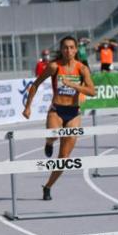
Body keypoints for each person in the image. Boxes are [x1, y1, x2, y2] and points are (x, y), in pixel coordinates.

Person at [22, 36, 96, 200]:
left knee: (63, 158)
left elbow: (92, 91)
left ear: (76, 50)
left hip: (73, 112)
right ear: (61, 50)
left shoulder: (82, 69)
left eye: (71, 47)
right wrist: (27, 107)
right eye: (65, 48)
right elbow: (35, 84)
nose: (68, 51)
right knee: (54, 134)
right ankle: (49, 142)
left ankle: (48, 186)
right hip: (56, 110)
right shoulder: (54, 66)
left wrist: (74, 85)